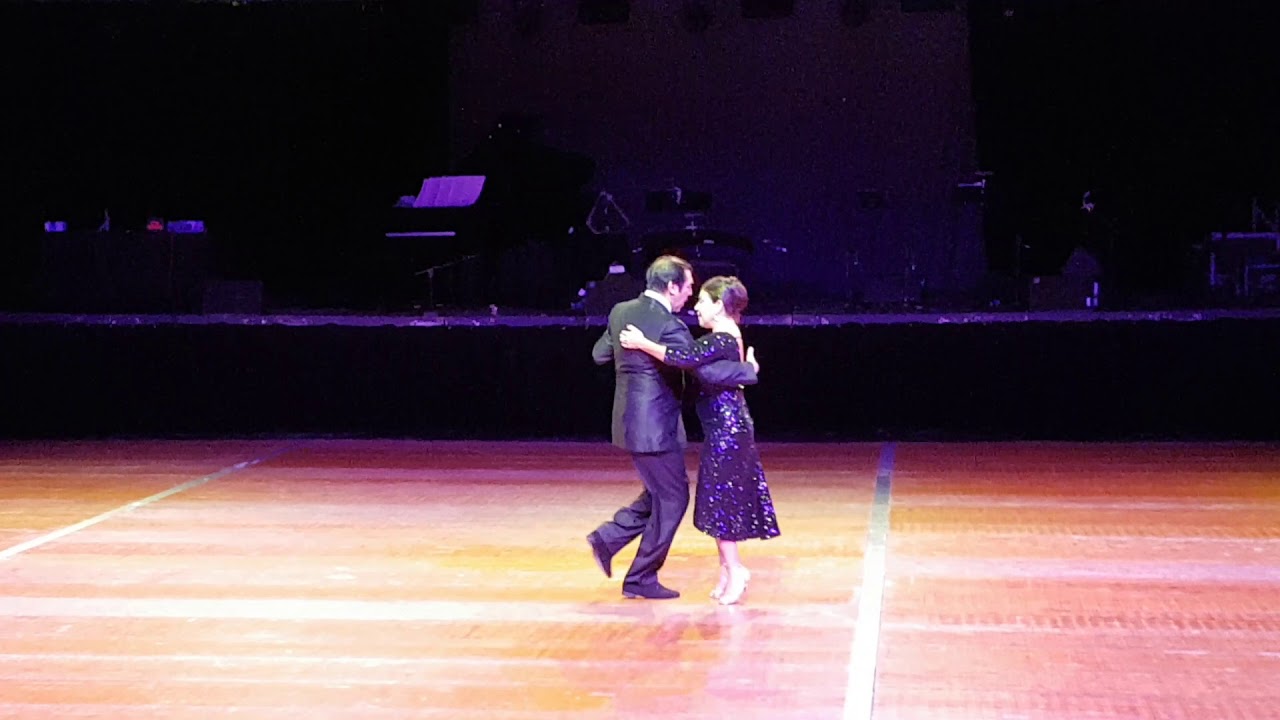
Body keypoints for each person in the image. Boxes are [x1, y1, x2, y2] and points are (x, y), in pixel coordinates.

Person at [588, 256, 760, 600]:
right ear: (671, 287)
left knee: (659, 491)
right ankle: (639, 576)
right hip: (656, 425)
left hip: (627, 420)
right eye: (688, 287)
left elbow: (599, 355)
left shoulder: (621, 311)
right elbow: (703, 372)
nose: (690, 295)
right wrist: (747, 371)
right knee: (673, 496)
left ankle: (609, 539)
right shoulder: (671, 327)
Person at [618, 275, 779, 605]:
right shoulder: (724, 338)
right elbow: (703, 371)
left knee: (722, 502)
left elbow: (685, 358)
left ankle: (735, 570)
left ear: (719, 306)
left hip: (728, 430)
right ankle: (727, 570)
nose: (696, 307)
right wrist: (747, 372)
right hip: (724, 428)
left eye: (703, 301)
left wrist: (642, 343)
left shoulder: (721, 338)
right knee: (718, 501)